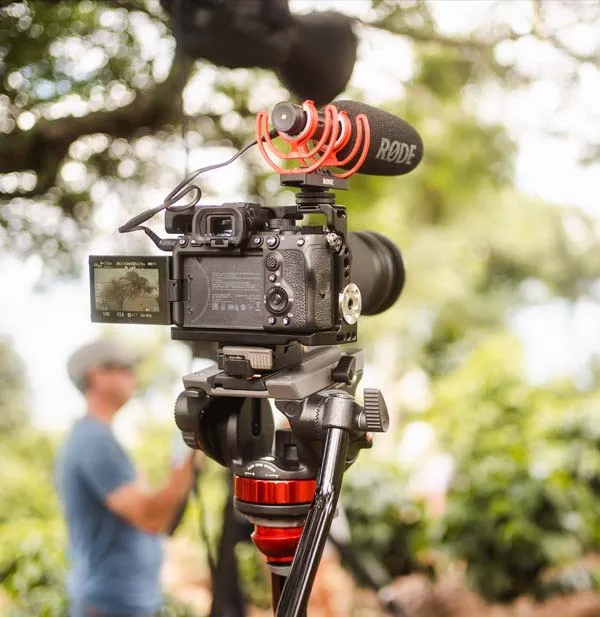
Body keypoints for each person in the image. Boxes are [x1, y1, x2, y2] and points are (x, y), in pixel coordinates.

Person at [55, 338, 197, 617]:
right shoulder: (93, 441)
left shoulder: (101, 438)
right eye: (124, 368)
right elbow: (151, 518)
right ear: (96, 375)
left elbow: (160, 517)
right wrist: (189, 463)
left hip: (124, 602)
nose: (132, 376)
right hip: (112, 605)